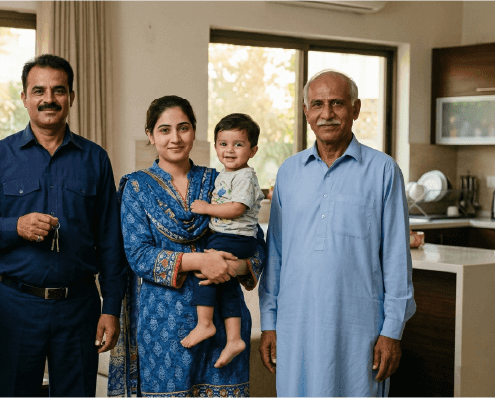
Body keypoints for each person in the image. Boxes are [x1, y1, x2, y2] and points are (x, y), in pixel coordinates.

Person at [0, 54, 127, 397]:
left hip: (79, 306)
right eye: (38, 90)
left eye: (58, 90)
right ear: (24, 97)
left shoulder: (95, 158)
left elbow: (111, 242)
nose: (48, 99)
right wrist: (16, 227)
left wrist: (111, 309)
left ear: (71, 97)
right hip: (16, 305)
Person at [258, 69, 416, 396]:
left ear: (355, 109)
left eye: (337, 104)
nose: (326, 114)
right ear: (305, 113)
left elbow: (397, 259)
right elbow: (276, 256)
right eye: (317, 104)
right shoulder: (289, 172)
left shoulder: (384, 171)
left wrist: (392, 331)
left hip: (360, 330)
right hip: (295, 326)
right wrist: (269, 323)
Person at [108, 96, 266, 397]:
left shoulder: (220, 179)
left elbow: (254, 241)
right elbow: (139, 256)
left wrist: (237, 267)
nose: (175, 138)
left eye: (183, 128)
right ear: (151, 136)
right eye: (165, 130)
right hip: (163, 325)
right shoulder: (136, 187)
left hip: (224, 323)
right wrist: (201, 263)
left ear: (194, 131)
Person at [182, 113, 265, 369]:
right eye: (223, 143)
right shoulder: (223, 175)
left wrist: (206, 208)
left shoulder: (245, 177)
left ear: (253, 150)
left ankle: (204, 324)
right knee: (226, 286)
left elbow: (236, 208)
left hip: (235, 237)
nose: (230, 150)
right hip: (227, 236)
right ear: (216, 145)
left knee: (205, 268)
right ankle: (234, 338)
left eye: (238, 144)